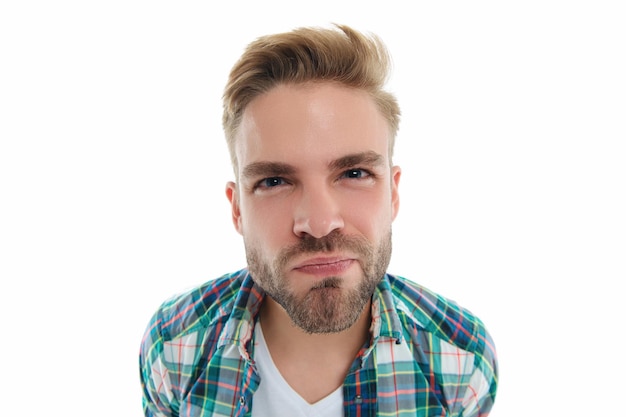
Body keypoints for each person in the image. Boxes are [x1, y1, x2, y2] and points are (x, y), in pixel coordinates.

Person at [139, 23, 498, 417]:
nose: (320, 222)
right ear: (237, 208)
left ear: (393, 193)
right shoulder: (175, 347)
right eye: (274, 181)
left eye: (355, 173)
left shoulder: (460, 360)